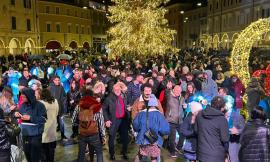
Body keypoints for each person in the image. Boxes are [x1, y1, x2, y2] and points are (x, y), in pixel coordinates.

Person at [133, 96, 170, 162]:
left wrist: (139, 131)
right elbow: (165, 129)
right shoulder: (159, 115)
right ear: (156, 104)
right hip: (155, 140)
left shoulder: (141, 113)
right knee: (154, 157)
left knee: (140, 154)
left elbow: (135, 125)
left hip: (143, 138)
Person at [15, 88, 47, 162]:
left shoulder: (40, 105)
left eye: (24, 97)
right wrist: (16, 114)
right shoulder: (22, 105)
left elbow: (44, 119)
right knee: (27, 155)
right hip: (25, 134)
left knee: (35, 157)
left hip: (35, 135)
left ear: (29, 96)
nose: (22, 99)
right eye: (22, 97)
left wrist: (30, 118)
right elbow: (20, 114)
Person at [195, 96, 229, 162]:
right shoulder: (222, 119)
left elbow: (196, 130)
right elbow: (225, 139)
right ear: (222, 108)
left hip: (202, 153)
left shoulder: (200, 114)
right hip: (216, 156)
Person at [102, 82, 129, 160]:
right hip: (114, 120)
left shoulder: (124, 96)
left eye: (119, 89)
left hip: (123, 120)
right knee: (111, 138)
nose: (117, 91)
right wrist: (106, 120)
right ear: (113, 90)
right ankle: (112, 154)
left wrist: (127, 110)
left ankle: (124, 153)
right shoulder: (109, 98)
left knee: (125, 138)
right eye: (115, 89)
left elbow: (125, 105)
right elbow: (104, 109)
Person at [77, 95, 104, 162]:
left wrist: (80, 126)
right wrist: (103, 135)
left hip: (82, 134)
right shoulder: (98, 107)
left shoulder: (79, 106)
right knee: (99, 153)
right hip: (94, 134)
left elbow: (73, 120)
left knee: (81, 154)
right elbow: (101, 123)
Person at [164, 82, 185, 157]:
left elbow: (182, 107)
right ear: (173, 90)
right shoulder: (169, 96)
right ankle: (172, 152)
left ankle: (178, 148)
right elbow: (166, 93)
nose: (178, 92)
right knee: (172, 138)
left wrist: (184, 107)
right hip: (171, 120)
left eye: (180, 91)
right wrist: (168, 88)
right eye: (177, 90)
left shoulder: (182, 98)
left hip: (180, 120)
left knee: (183, 135)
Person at [40, 88, 59, 162]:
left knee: (44, 153)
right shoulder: (56, 101)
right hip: (53, 128)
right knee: (51, 152)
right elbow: (57, 113)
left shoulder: (41, 103)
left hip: (44, 129)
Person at [48, 76, 68, 140]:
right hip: (52, 109)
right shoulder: (50, 88)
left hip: (60, 108)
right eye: (56, 80)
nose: (58, 81)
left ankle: (63, 135)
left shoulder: (61, 88)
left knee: (62, 123)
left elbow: (64, 98)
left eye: (58, 80)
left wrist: (64, 107)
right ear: (53, 80)